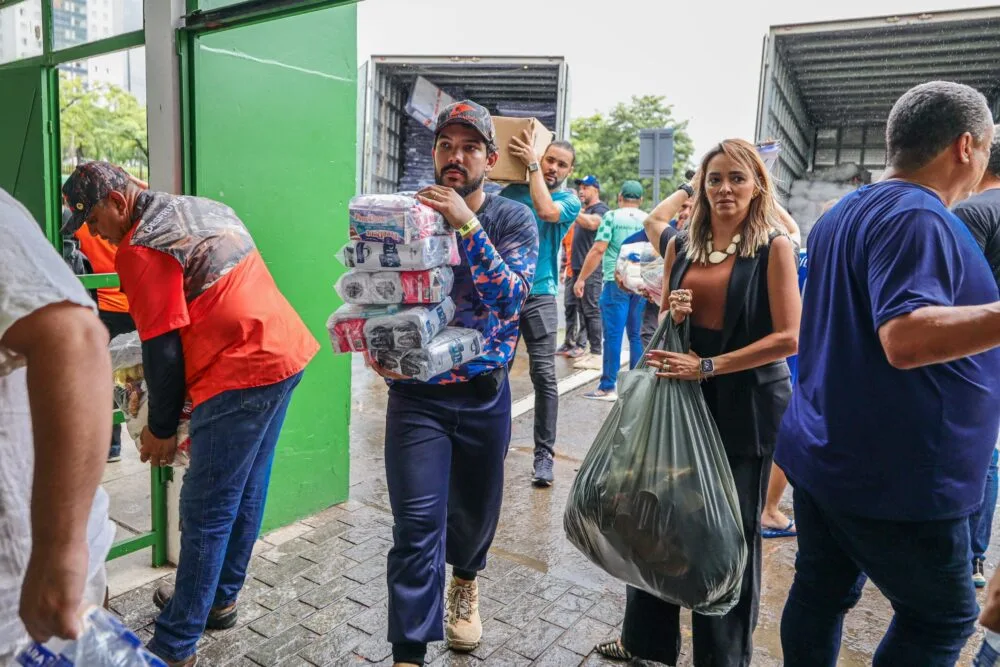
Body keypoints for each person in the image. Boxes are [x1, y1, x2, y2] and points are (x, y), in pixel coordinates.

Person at [776, 82, 1000, 667]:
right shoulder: (916, 216)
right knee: (941, 618)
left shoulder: (844, 211)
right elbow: (905, 337)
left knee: (821, 590)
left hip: (830, 451)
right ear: (966, 145)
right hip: (898, 474)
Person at [61, 160, 319, 667]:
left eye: (93, 220)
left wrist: (158, 430)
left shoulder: (141, 247)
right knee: (244, 489)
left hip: (239, 370)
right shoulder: (195, 206)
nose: (94, 233)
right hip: (283, 352)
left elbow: (162, 351)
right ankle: (218, 601)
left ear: (117, 201)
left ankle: (177, 644)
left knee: (205, 510)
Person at [595, 140, 800, 665]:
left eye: (736, 178)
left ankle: (722, 657)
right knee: (656, 520)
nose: (724, 189)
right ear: (700, 188)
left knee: (728, 538)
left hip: (743, 409)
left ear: (757, 186)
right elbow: (669, 325)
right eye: (714, 180)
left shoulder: (773, 247)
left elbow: (788, 338)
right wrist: (677, 314)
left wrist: (709, 366)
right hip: (677, 404)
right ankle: (648, 645)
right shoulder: (681, 248)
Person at [368, 101, 537, 667]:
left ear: (490, 159)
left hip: (484, 393)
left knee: (474, 511)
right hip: (417, 397)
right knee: (416, 524)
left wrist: (466, 222)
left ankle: (466, 579)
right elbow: (377, 289)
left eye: (469, 147)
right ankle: (408, 651)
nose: (455, 157)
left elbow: (509, 298)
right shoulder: (408, 213)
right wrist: (377, 343)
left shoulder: (512, 220)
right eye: (446, 145)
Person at [1, 187, 115, 662]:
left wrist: (59, 553)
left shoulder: (152, 239)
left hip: (22, 588)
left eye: (94, 216)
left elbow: (76, 338)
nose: (92, 226)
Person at [501, 135, 580, 487]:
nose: (554, 168)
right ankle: (494, 446)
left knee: (544, 376)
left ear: (570, 171)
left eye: (562, 164)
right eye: (550, 160)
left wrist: (532, 166)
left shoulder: (566, 199)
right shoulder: (508, 195)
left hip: (541, 294)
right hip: (503, 294)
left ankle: (543, 455)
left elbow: (546, 211)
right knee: (494, 371)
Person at [951, 125, 1000, 590]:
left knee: (974, 450)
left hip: (977, 350)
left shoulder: (972, 211)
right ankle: (975, 559)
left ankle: (958, 553)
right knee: (991, 452)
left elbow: (955, 294)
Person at [70, 190, 140, 463]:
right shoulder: (130, 223)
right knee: (132, 375)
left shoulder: (83, 230)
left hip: (107, 308)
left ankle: (111, 446)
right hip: (132, 305)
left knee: (106, 376)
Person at [574, 181, 649, 401]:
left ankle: (608, 386)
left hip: (615, 282)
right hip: (641, 284)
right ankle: (634, 387)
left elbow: (599, 249)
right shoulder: (648, 218)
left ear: (620, 197)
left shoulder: (612, 217)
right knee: (636, 336)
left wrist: (581, 278)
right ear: (641, 200)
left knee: (613, 336)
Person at [564, 175, 609, 367]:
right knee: (581, 310)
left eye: (586, 187)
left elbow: (592, 223)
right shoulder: (585, 210)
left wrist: (570, 209)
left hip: (590, 269)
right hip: (576, 268)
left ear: (596, 190)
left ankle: (597, 353)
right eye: (580, 187)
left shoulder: (601, 210)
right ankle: (589, 350)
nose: (581, 190)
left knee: (591, 311)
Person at [558, 222, 585, 355]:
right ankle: (568, 342)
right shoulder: (568, 227)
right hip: (570, 273)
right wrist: (561, 270)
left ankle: (581, 344)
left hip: (582, 272)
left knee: (583, 309)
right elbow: (564, 250)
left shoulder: (583, 226)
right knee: (569, 307)